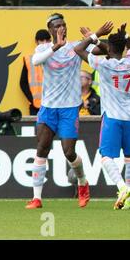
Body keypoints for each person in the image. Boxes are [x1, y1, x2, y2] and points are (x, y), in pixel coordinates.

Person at [25, 13, 90, 209]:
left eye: (63, 24)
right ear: (50, 29)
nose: (61, 28)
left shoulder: (76, 47)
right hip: (48, 108)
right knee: (42, 148)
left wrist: (93, 36)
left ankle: (82, 182)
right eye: (57, 25)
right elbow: (36, 61)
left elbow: (98, 50)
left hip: (69, 108)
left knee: (69, 152)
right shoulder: (44, 48)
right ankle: (37, 198)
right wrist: (56, 46)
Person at [74, 22, 130, 210]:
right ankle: (128, 201)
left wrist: (95, 34)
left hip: (112, 117)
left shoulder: (103, 63)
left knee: (105, 157)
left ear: (109, 49)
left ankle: (122, 188)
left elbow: (79, 49)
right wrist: (125, 36)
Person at [20, 29, 51, 115]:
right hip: (36, 106)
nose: (44, 43)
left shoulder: (57, 58)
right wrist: (32, 100)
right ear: (36, 42)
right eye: (41, 40)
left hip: (54, 105)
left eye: (47, 40)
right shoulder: (29, 60)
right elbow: (23, 83)